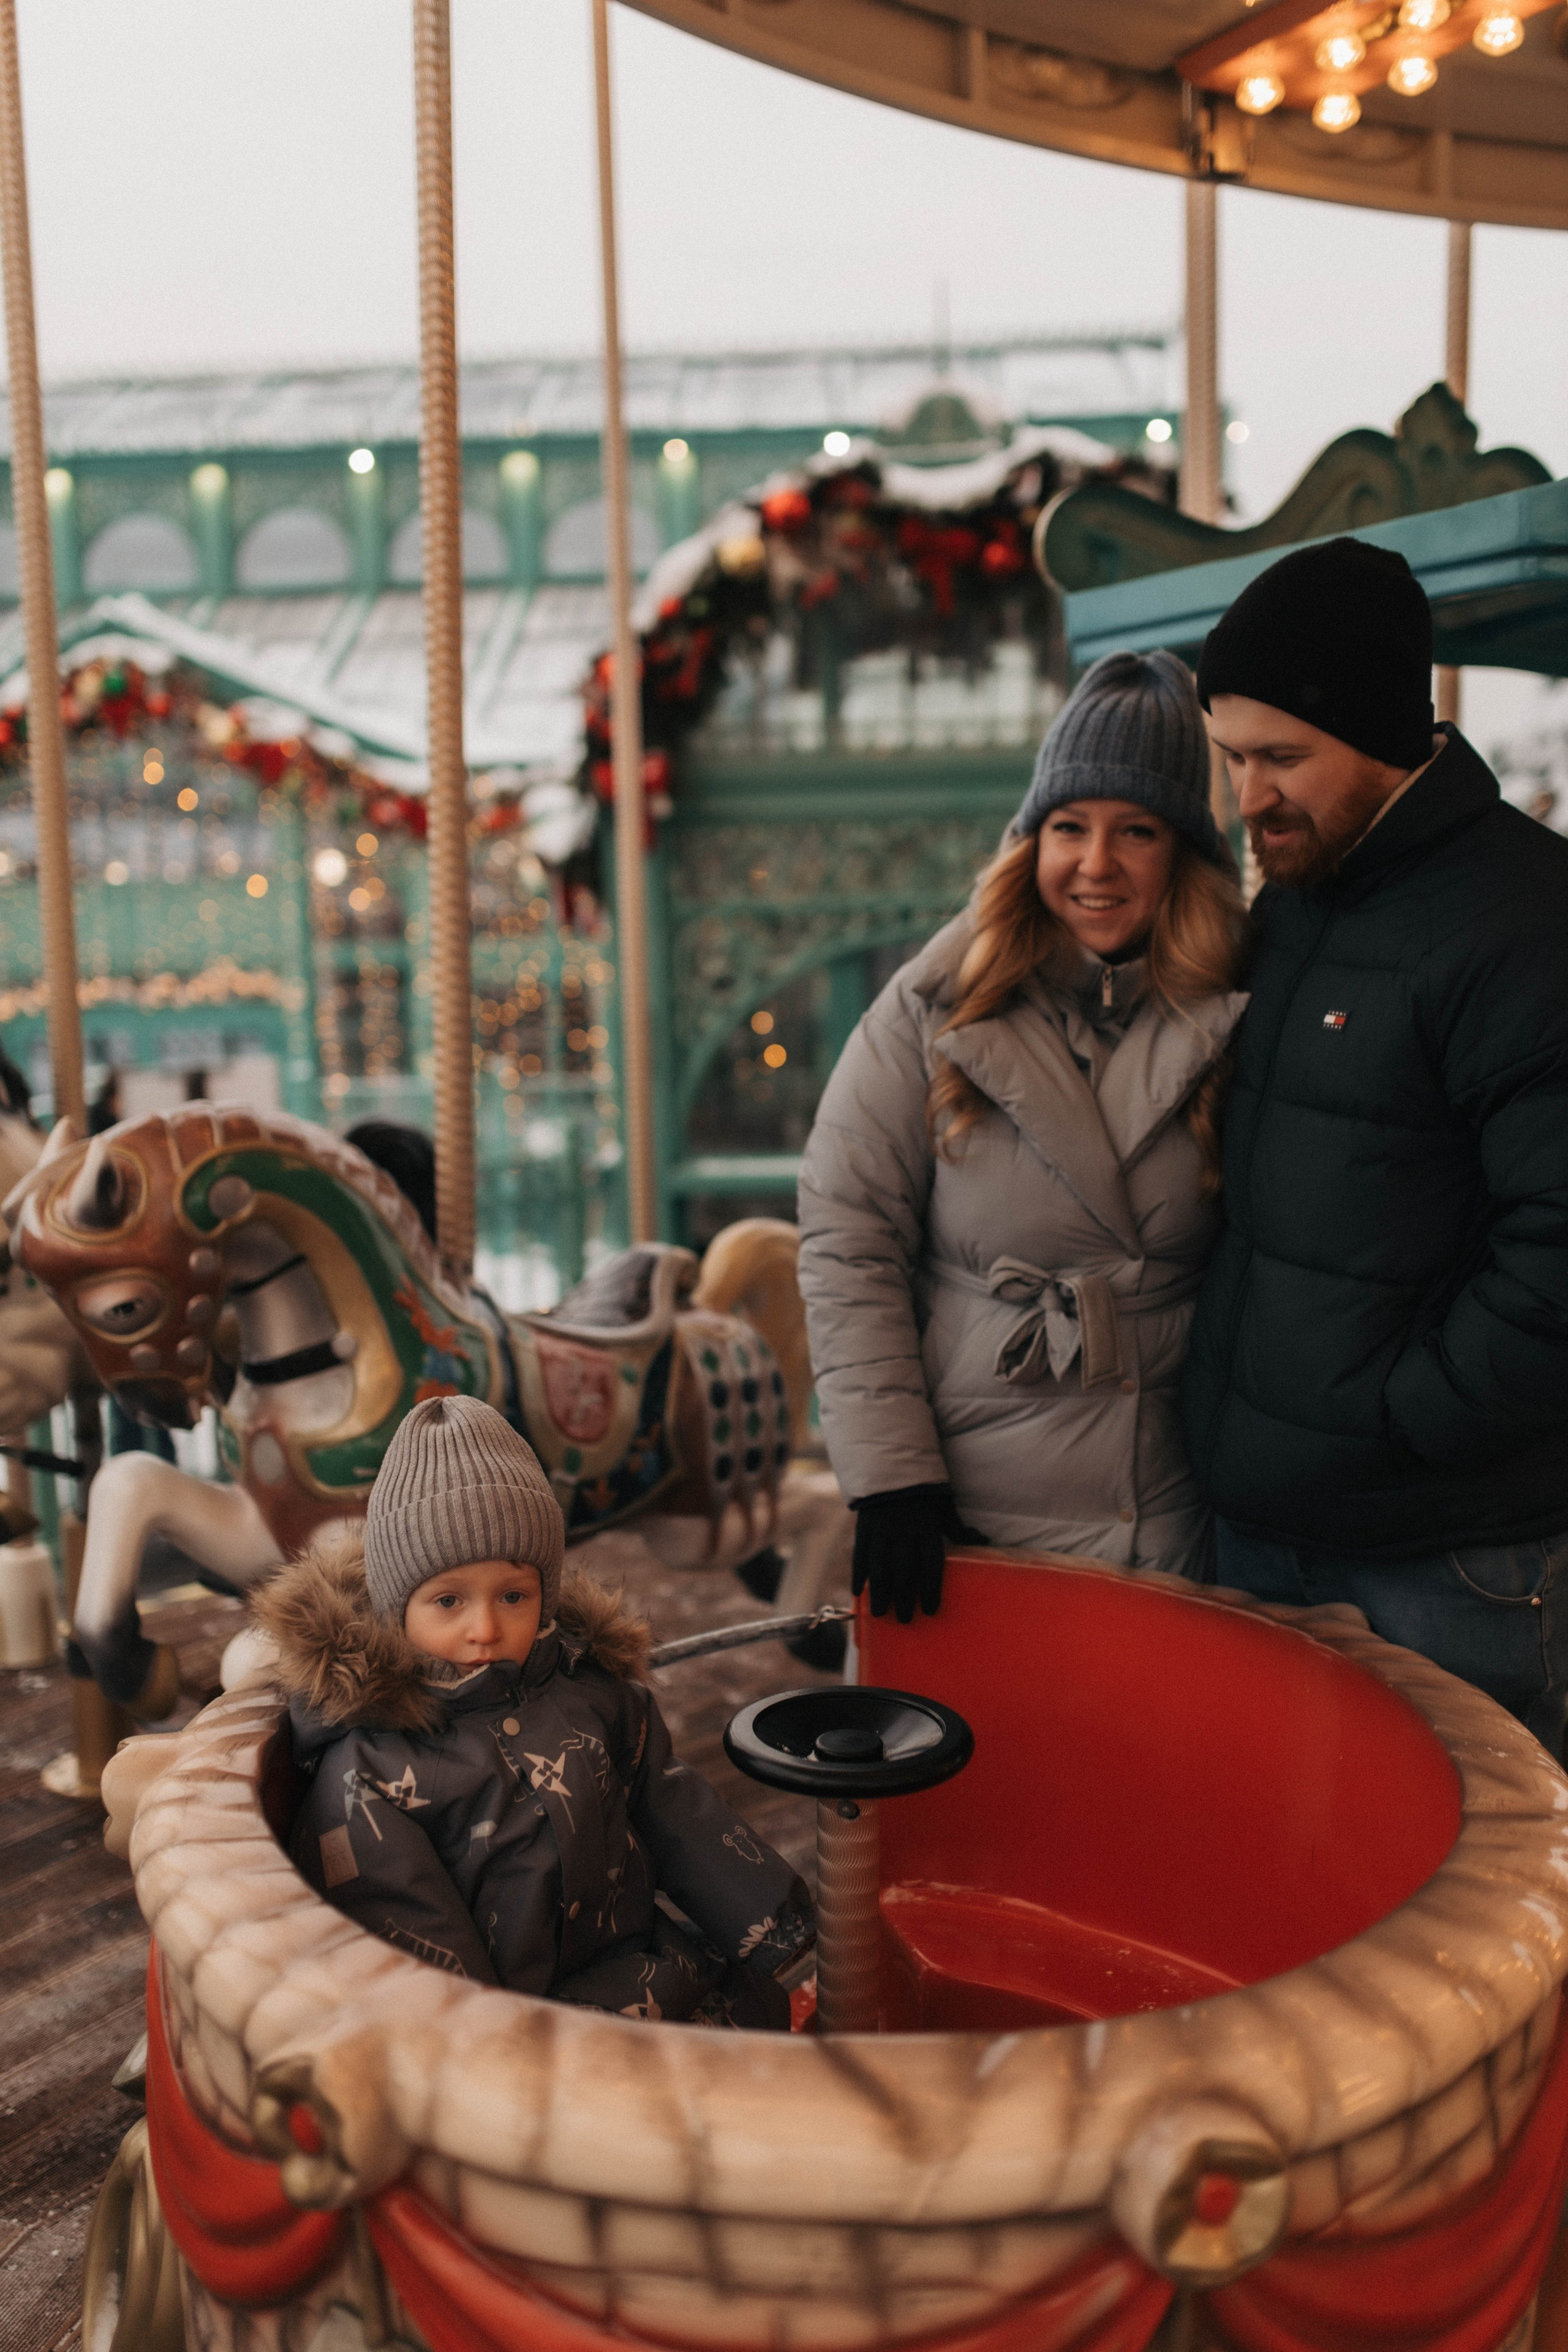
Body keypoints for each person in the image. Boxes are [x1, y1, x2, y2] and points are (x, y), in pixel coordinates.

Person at [1182, 534, 1568, 1753]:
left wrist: (1408, 1421)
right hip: (1266, 1539)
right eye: (1231, 757)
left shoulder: (1525, 920)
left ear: (1385, 735)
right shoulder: (1295, 901)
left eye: (1281, 757)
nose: (1248, 797)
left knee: (1469, 1875)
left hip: (1440, 1560)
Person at [797, 650, 1249, 1623]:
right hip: (966, 1510)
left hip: (1170, 1507)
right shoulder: (932, 1007)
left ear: (1183, 853)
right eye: (1069, 827)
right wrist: (893, 1479)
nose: (1097, 863)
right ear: (1030, 838)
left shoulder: (1238, 1009)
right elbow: (848, 1239)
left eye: (1136, 830)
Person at [255, 1394, 815, 2027]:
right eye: (448, 1602)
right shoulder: (368, 1772)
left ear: (545, 1597)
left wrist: (779, 1929)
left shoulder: (595, 1696)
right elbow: (412, 1935)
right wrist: (494, 2046)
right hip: (518, 2030)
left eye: (514, 1596)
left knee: (765, 2024)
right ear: (396, 1609)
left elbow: (677, 1814)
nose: (485, 1628)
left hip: (653, 1975)